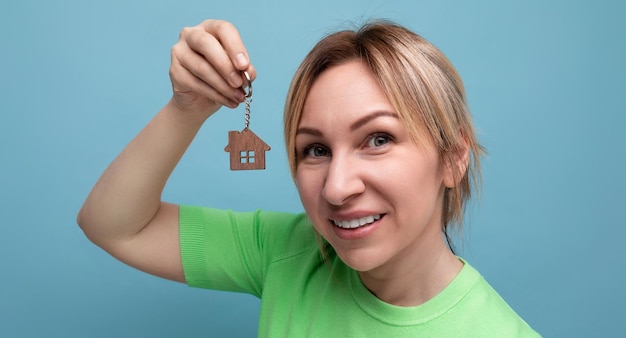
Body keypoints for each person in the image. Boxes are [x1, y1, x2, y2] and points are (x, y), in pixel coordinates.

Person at [77, 19, 540, 336]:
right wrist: (188, 108)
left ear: (453, 158)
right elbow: (114, 225)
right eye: (315, 150)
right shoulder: (287, 253)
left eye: (377, 139)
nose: (337, 188)